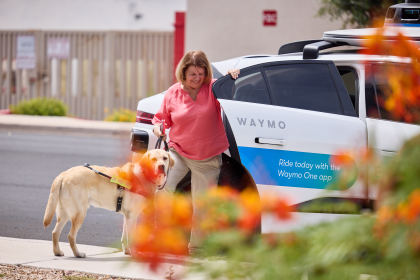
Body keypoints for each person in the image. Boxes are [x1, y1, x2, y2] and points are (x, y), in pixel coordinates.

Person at [152, 50, 239, 253]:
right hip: (178, 152)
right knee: (163, 189)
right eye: (193, 74)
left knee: (202, 204)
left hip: (207, 157)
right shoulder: (173, 93)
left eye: (201, 74)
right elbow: (161, 119)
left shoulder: (213, 88)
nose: (197, 78)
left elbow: (232, 93)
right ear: (183, 73)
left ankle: (197, 247)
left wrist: (233, 76)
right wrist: (158, 129)